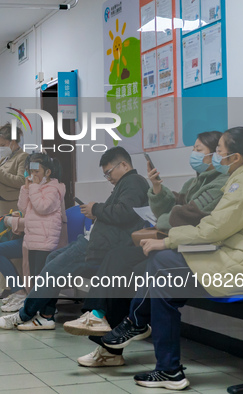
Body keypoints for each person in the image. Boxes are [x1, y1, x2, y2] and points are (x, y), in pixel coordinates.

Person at [101, 127, 243, 390]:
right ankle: (155, 351)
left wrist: (167, 240)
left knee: (161, 263)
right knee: (162, 271)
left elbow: (214, 227)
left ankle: (144, 334)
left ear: (235, 158)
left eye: (219, 152)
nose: (216, 157)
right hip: (238, 256)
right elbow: (217, 226)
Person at [64, 131, 229, 368]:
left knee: (128, 273)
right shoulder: (194, 182)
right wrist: (158, 189)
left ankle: (112, 342)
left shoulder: (221, 184)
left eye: (198, 149)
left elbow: (182, 216)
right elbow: (175, 207)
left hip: (193, 250)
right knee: (117, 258)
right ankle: (97, 317)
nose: (193, 154)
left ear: (216, 155)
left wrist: (163, 221)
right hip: (179, 243)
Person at [0, 146, 149, 331]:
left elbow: (124, 213)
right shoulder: (125, 184)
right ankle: (45, 316)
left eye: (109, 173)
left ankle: (24, 314)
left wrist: (96, 209)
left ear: (123, 165)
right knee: (52, 261)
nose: (108, 178)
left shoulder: (134, 182)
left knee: (53, 269)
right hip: (92, 240)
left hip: (99, 245)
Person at [0, 153, 67, 313]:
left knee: (43, 276)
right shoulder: (35, 187)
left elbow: (43, 207)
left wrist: (34, 188)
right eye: (30, 171)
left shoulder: (54, 188)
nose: (33, 175)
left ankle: (47, 308)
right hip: (32, 239)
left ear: (48, 172)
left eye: (37, 171)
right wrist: (25, 187)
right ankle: (38, 306)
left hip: (45, 239)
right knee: (35, 276)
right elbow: (23, 207)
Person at [0, 123, 28, 299]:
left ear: (13, 141)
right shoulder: (4, 159)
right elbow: (3, 178)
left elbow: (21, 181)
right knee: (1, 242)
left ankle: (17, 287)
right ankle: (6, 287)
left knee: (12, 245)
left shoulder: (23, 157)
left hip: (14, 207)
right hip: (2, 204)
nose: (1, 149)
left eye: (3, 145)